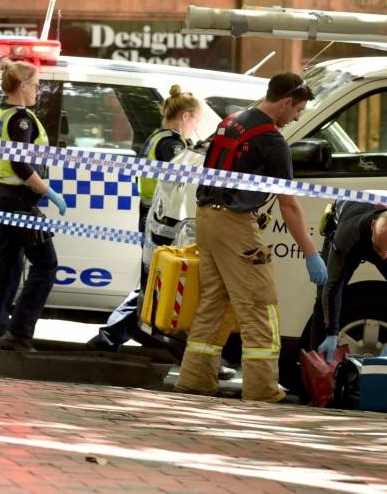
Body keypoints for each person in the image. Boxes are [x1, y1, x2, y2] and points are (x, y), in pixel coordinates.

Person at [174, 72, 327, 403]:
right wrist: (311, 253)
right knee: (259, 304)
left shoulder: (231, 122)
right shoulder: (271, 140)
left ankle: (195, 381)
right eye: (298, 110)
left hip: (207, 218)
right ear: (286, 102)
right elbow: (289, 204)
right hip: (234, 224)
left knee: (213, 303)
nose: (297, 118)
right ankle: (262, 389)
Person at [87, 85, 201, 352]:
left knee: (151, 283)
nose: (196, 127)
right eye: (196, 121)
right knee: (153, 284)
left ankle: (121, 337)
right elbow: (185, 179)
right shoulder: (171, 145)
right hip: (162, 222)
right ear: (185, 116)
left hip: (153, 217)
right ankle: (110, 337)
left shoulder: (157, 137)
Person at [0, 60, 67, 357]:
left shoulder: (0, 115)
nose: (38, 91)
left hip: (3, 196)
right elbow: (20, 164)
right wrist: (48, 191)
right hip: (18, 201)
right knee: (46, 265)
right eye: (36, 85)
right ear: (23, 86)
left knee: (7, 267)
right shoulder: (21, 120)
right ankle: (19, 333)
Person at [314, 203, 387, 361]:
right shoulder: (347, 234)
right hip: (351, 231)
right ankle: (317, 362)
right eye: (380, 250)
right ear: (372, 225)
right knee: (323, 301)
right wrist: (331, 332)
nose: (383, 256)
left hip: (373, 233)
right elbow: (333, 286)